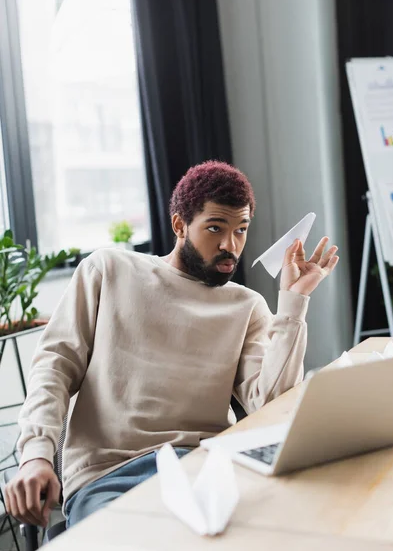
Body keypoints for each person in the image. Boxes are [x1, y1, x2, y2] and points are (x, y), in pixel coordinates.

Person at [5, 161, 339, 529]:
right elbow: (55, 365)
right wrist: (35, 454)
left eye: (241, 230)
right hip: (112, 475)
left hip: (208, 467)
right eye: (216, 228)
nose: (230, 245)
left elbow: (271, 404)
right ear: (180, 224)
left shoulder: (246, 306)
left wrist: (293, 301)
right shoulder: (109, 270)